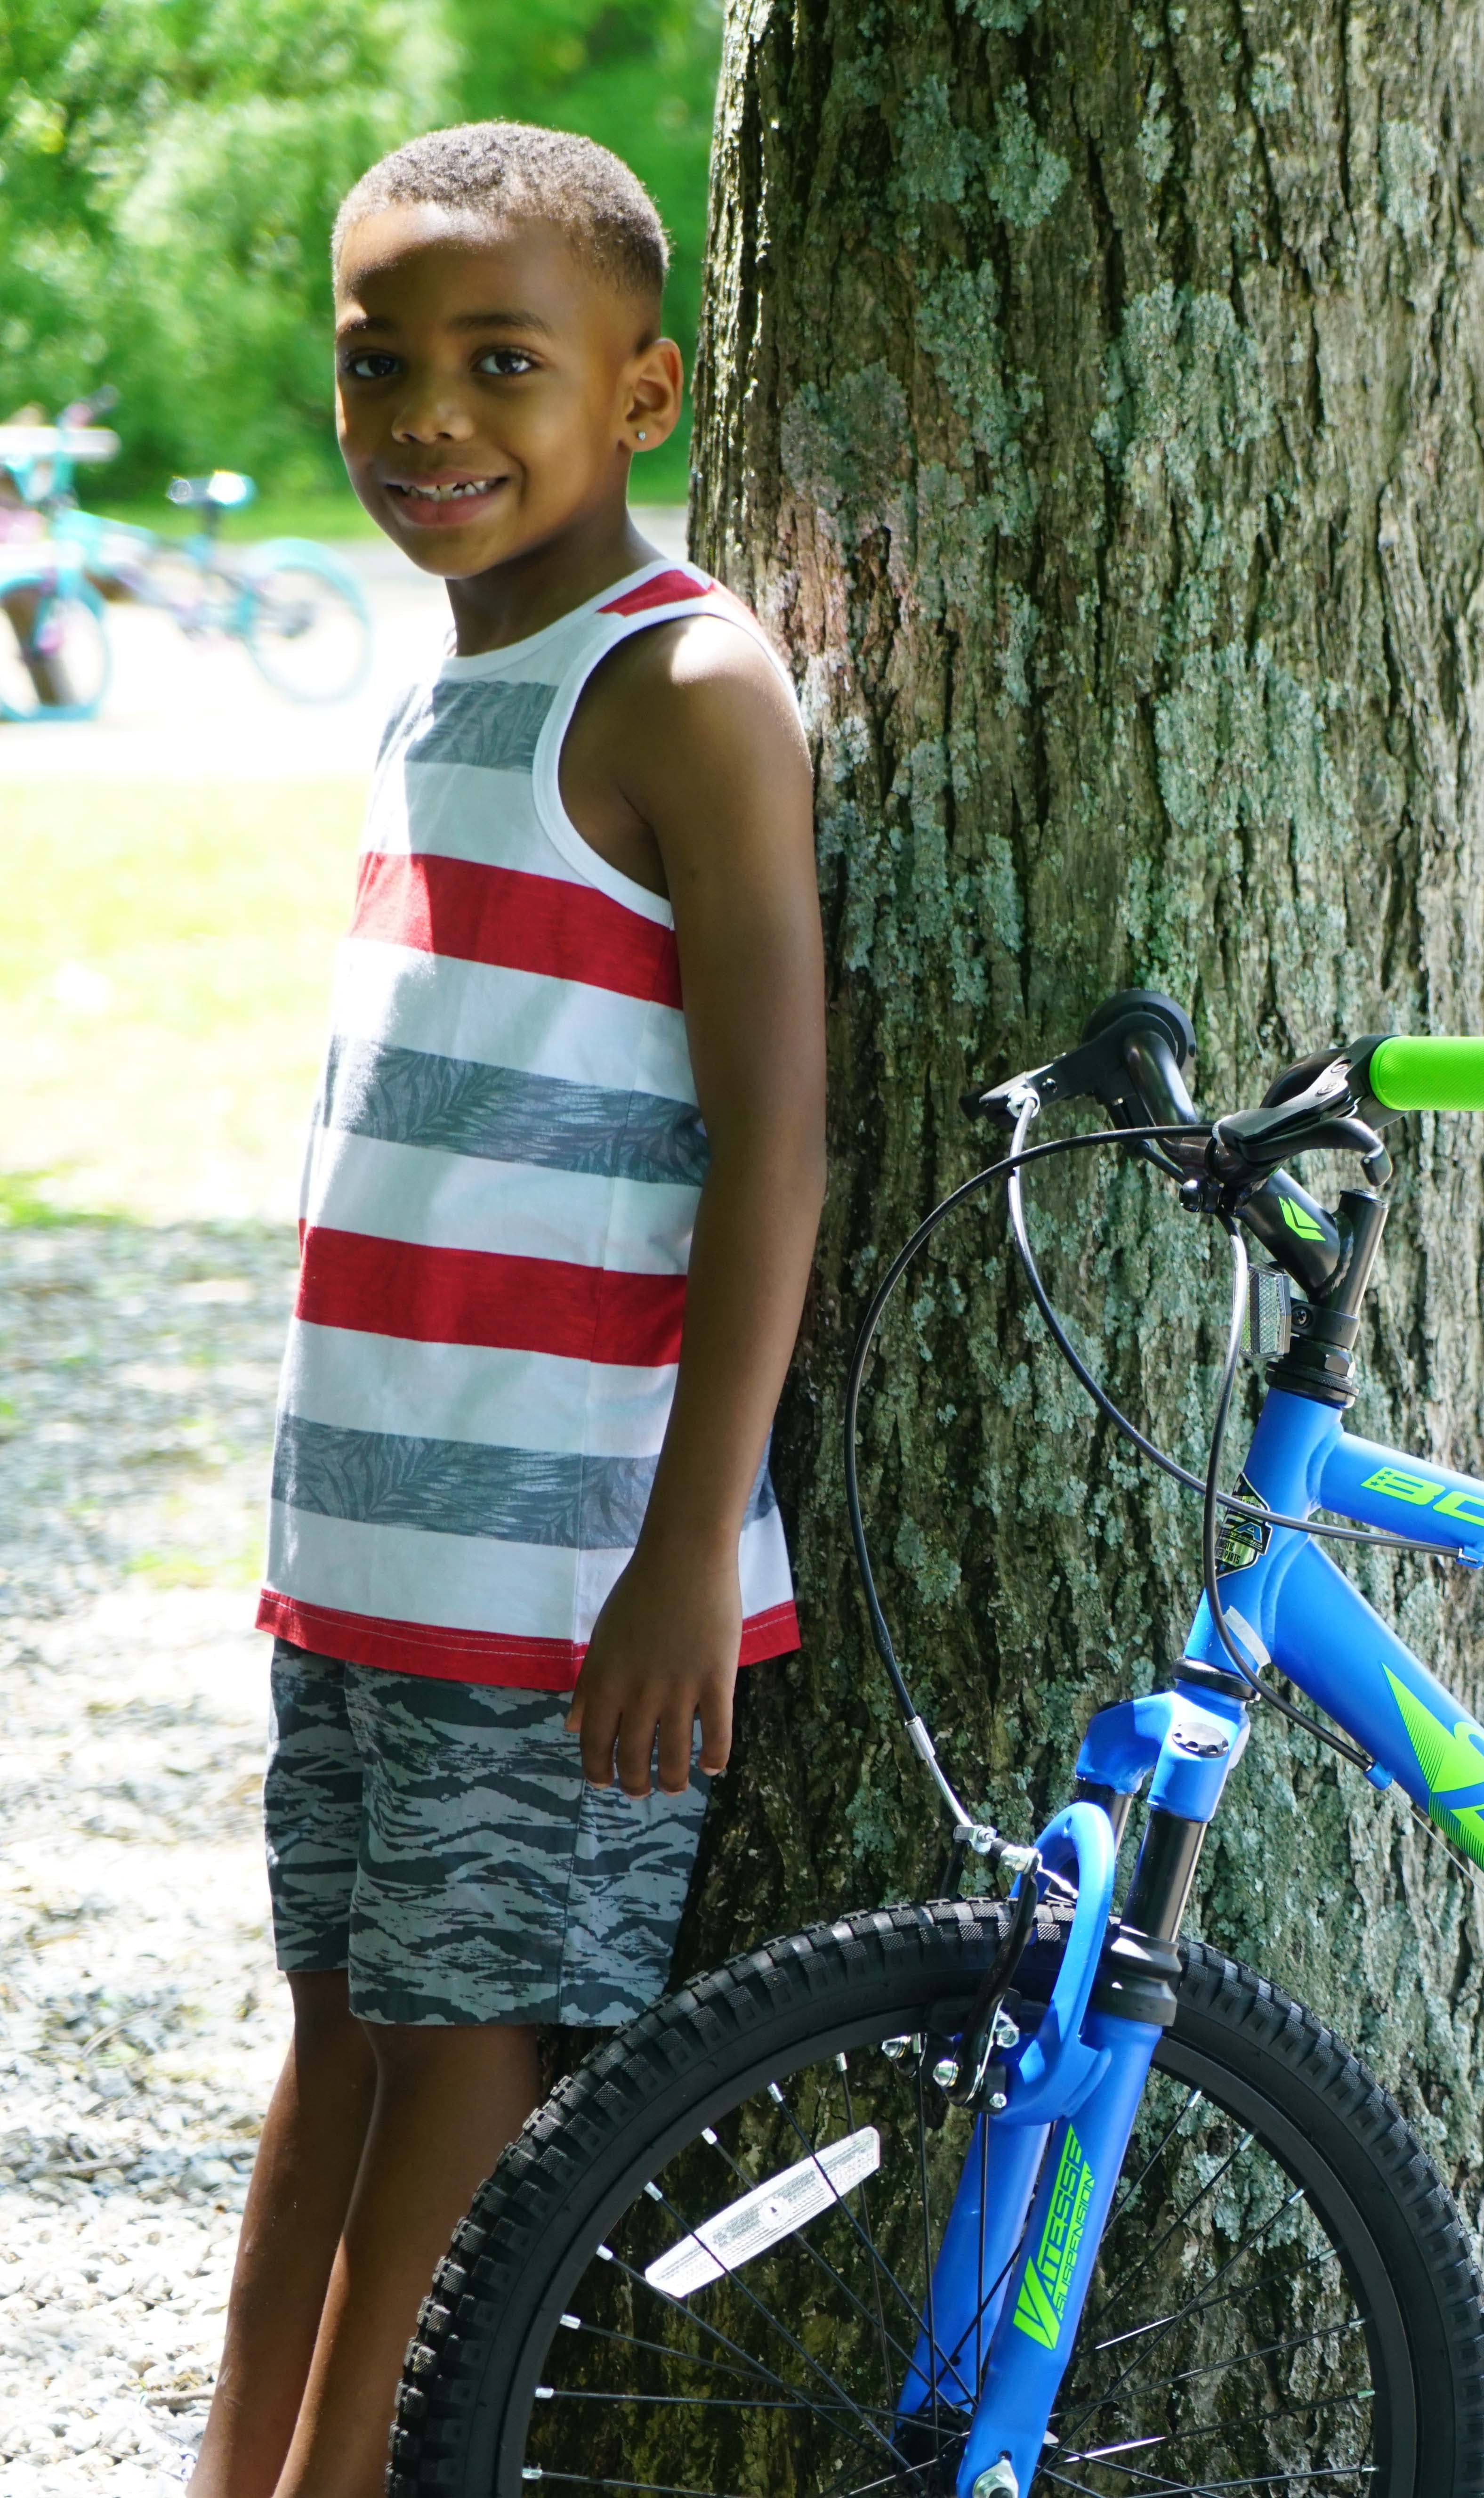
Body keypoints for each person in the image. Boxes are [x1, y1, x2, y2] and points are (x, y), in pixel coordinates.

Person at [188, 122, 824, 2498]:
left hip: (560, 1576)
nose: (429, 417)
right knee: (337, 2036)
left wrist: (684, 1549)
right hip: (366, 1555)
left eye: (501, 365)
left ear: (638, 391)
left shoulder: (684, 689)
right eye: (381, 368)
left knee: (467, 2069)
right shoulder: (439, 693)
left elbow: (776, 1139)